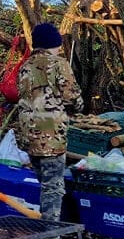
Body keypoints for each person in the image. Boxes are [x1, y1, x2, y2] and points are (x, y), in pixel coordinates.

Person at [16, 22, 83, 221]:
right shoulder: (58, 63)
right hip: (50, 136)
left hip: (28, 135)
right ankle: (50, 235)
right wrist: (78, 106)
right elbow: (71, 97)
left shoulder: (25, 66)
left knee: (45, 182)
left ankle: (52, 219)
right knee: (53, 187)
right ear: (53, 43)